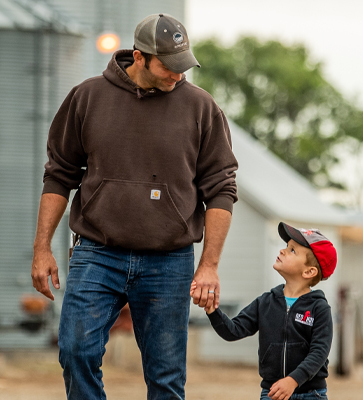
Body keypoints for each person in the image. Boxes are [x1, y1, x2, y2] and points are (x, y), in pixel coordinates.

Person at [28, 12, 239, 400]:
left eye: (183, 65)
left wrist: (209, 265)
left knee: (166, 378)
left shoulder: (201, 108)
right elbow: (59, 175)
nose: (177, 74)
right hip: (97, 253)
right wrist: (41, 249)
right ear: (139, 57)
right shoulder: (87, 97)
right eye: (168, 66)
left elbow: (222, 189)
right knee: (76, 352)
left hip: (169, 260)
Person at [205, 222, 338, 400]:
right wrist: (212, 310)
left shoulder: (319, 308)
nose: (283, 251)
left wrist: (293, 381)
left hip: (311, 394)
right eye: (286, 246)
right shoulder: (265, 302)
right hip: (272, 394)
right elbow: (233, 331)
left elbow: (319, 352)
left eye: (292, 250)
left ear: (309, 271)